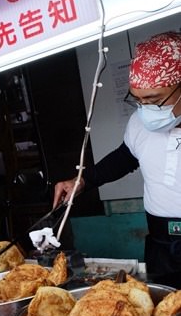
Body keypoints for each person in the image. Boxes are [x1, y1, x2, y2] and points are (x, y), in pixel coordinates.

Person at [53, 31, 181, 275]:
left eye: (154, 100)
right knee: (165, 306)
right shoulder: (139, 123)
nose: (145, 110)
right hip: (160, 242)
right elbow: (125, 158)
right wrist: (82, 181)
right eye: (138, 100)